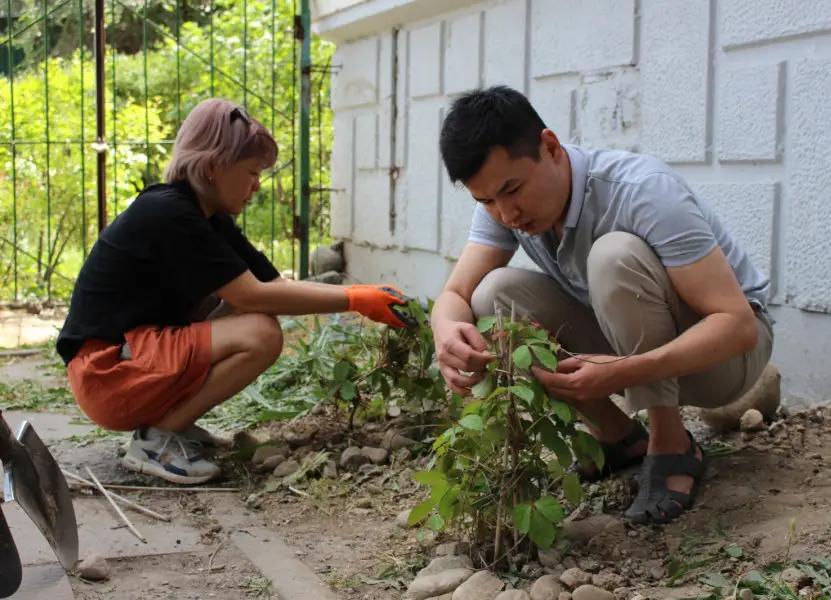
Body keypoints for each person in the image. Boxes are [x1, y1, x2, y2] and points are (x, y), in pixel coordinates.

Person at [431, 86, 773, 524]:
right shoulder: (502, 207)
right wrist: (445, 331)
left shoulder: (642, 190)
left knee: (614, 257)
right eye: (486, 201)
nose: (506, 214)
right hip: (630, 339)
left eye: (511, 190)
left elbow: (738, 325)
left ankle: (672, 442)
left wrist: (624, 372)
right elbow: (456, 295)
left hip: (726, 359)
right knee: (494, 294)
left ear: (550, 147)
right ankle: (618, 436)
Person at [57, 99, 410, 484]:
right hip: (106, 373)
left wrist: (362, 292)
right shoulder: (169, 214)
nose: (257, 186)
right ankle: (155, 440)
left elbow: (275, 288)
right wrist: (356, 300)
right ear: (212, 167)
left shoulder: (207, 217)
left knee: (246, 315)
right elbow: (253, 298)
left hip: (130, 359)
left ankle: (169, 425)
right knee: (260, 333)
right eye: (252, 172)